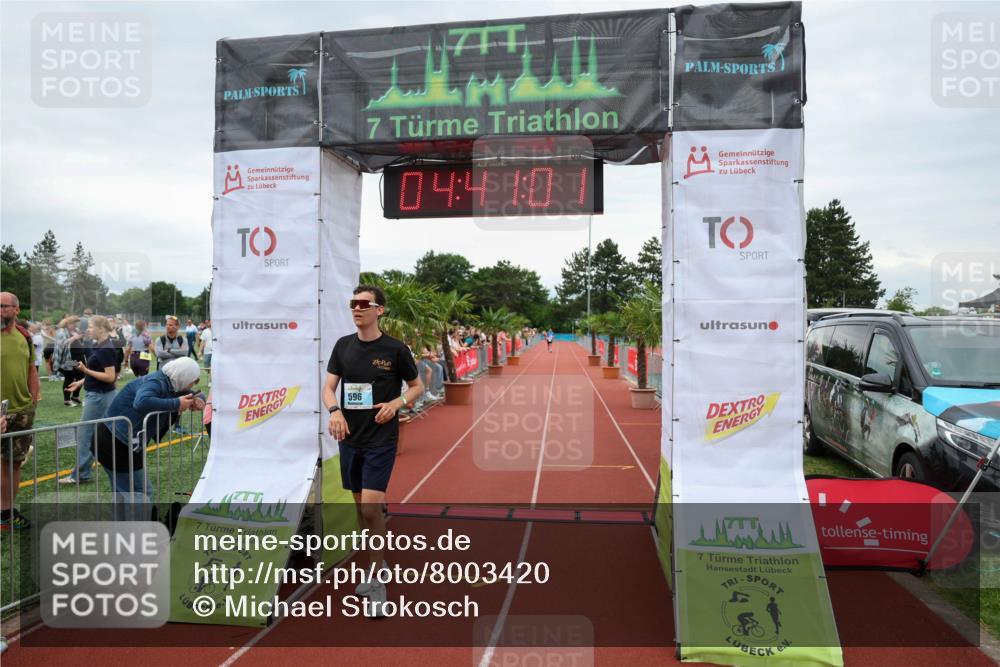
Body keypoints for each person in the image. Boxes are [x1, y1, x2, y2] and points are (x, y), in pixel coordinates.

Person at [322, 285, 422, 616]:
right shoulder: (343, 346)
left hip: (381, 439)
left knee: (369, 509)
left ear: (379, 310)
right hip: (350, 438)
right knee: (362, 512)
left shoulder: (395, 350)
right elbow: (328, 388)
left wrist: (396, 403)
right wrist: (334, 411)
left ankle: (377, 579)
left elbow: (417, 386)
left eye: (364, 304)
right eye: (353, 303)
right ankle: (379, 559)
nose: (357, 308)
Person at [95, 357, 204, 513]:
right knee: (141, 492)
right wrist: (177, 404)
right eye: (194, 380)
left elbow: (192, 393)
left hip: (118, 439)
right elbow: (141, 401)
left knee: (123, 493)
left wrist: (198, 399)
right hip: (116, 441)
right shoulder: (156, 382)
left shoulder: (169, 382)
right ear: (184, 376)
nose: (194, 384)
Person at [59, 316, 120, 485]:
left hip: (100, 396)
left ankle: (80, 475)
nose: (88, 330)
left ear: (101, 328)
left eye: (91, 327)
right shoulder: (98, 345)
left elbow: (110, 377)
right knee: (101, 435)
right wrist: (79, 382)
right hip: (98, 394)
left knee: (85, 435)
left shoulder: (106, 348)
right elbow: (96, 371)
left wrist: (85, 370)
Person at [1, 292, 41, 531]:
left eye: (3, 306)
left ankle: (7, 512)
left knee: (14, 463)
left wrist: (32, 402)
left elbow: (31, 370)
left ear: (16, 310)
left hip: (22, 410)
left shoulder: (24, 336)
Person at [53, 315, 86, 405]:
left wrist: (81, 336)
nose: (76, 326)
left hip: (78, 357)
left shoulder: (75, 330)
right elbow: (62, 344)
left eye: (77, 325)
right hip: (68, 359)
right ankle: (67, 400)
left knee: (81, 376)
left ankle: (75, 397)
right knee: (70, 376)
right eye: (74, 324)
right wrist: (75, 337)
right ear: (68, 323)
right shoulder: (61, 332)